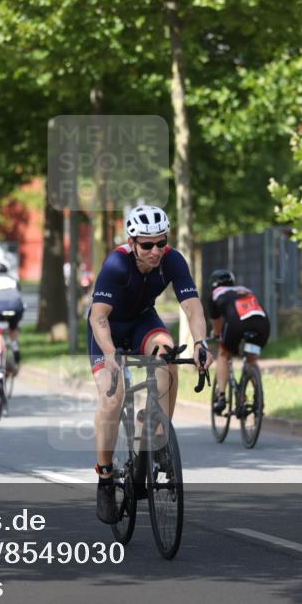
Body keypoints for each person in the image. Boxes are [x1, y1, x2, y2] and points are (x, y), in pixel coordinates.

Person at [88, 204, 211, 524]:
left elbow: (193, 306)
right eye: (147, 245)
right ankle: (104, 477)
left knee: (167, 355)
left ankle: (156, 432)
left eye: (161, 242)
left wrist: (200, 343)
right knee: (112, 399)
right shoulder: (117, 263)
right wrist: (111, 352)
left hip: (143, 323)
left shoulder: (172, 259)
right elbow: (98, 315)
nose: (156, 251)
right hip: (108, 331)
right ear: (132, 243)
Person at [206, 269, 271, 415]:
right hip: (262, 323)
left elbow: (217, 324)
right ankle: (257, 398)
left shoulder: (215, 294)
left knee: (223, 354)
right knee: (251, 359)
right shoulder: (244, 290)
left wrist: (216, 334)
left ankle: (221, 397)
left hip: (237, 323)